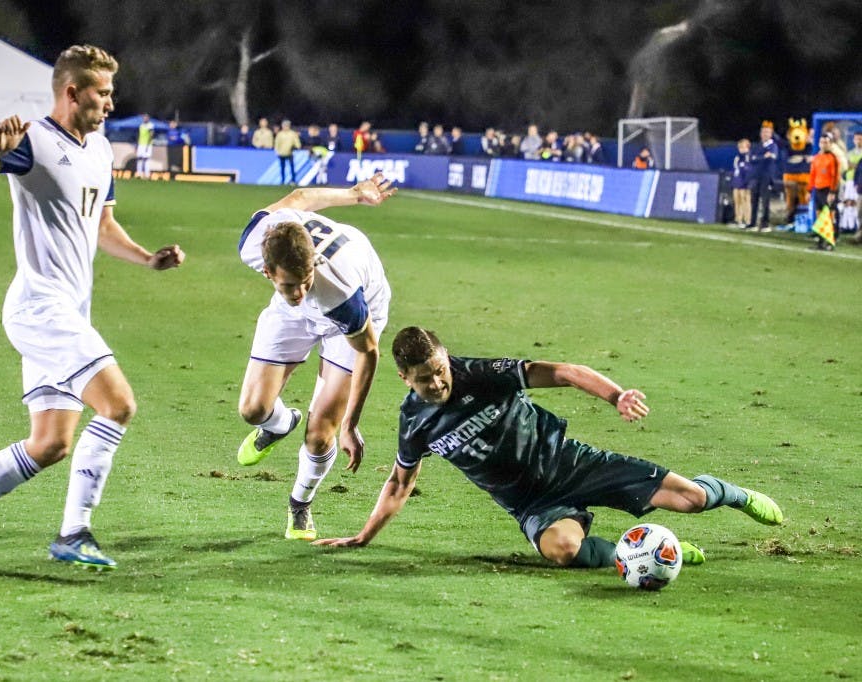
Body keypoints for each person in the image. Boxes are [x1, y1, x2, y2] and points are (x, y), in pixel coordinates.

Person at [0, 44, 186, 569]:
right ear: (72, 92)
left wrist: (147, 259)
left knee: (50, 443)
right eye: (103, 93)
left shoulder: (101, 150)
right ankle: (74, 532)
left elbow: (101, 225)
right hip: (40, 308)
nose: (110, 102)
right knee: (119, 404)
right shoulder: (31, 140)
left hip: (67, 314)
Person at [315, 327, 784, 574]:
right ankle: (660, 551)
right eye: (425, 378)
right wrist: (363, 536)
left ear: (445, 356)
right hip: (533, 505)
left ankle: (737, 495)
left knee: (692, 500)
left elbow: (561, 371)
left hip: (573, 464)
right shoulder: (415, 423)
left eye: (440, 369)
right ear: (405, 378)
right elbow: (399, 484)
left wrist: (615, 395)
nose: (438, 382)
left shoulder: (480, 373)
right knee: (561, 551)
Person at [235, 172, 396, 540]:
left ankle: (300, 503)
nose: (300, 290)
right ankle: (278, 423)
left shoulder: (338, 292)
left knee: (321, 433)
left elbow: (369, 353)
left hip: (352, 317)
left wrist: (350, 425)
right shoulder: (256, 240)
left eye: (304, 280)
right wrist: (354, 193)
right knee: (252, 410)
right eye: (289, 284)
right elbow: (300, 197)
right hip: (294, 317)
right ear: (267, 271)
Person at [808, 132, 841, 250]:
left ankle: (831, 241)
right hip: (817, 189)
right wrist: (809, 190)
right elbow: (813, 174)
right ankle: (821, 242)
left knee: (830, 216)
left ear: (830, 144)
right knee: (819, 217)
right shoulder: (816, 157)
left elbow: (835, 176)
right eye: (822, 142)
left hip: (828, 190)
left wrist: (832, 192)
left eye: (826, 142)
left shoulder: (833, 158)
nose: (824, 145)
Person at [749, 120, 780, 231]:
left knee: (765, 200)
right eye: (763, 132)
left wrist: (760, 158)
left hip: (767, 176)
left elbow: (772, 157)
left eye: (767, 132)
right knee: (754, 199)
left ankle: (765, 223)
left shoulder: (773, 146)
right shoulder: (758, 146)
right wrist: (763, 157)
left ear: (771, 134)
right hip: (756, 175)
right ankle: (752, 223)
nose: (765, 134)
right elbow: (752, 158)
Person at [730, 138, 753, 228]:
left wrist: (748, 182)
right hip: (737, 181)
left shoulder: (749, 157)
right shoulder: (737, 158)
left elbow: (749, 170)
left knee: (745, 200)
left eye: (743, 147)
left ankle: (747, 220)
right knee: (737, 200)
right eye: (740, 147)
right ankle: (738, 219)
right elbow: (735, 170)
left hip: (745, 182)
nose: (741, 149)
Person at [274, 119, 301, 184]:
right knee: (282, 168)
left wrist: (297, 146)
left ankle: (293, 180)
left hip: (289, 153)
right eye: (284, 125)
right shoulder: (280, 134)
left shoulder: (292, 134)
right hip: (281, 153)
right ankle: (283, 180)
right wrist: (276, 151)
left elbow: (297, 143)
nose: (285, 127)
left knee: (292, 167)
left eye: (287, 125)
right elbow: (277, 143)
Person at [135, 113, 154, 179]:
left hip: (147, 145)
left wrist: (148, 145)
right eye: (144, 117)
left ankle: (147, 174)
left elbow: (151, 135)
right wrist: (137, 145)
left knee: (146, 159)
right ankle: (139, 174)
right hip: (141, 144)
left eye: (146, 117)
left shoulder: (150, 125)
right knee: (139, 159)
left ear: (148, 118)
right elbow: (139, 135)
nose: (145, 119)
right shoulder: (141, 125)